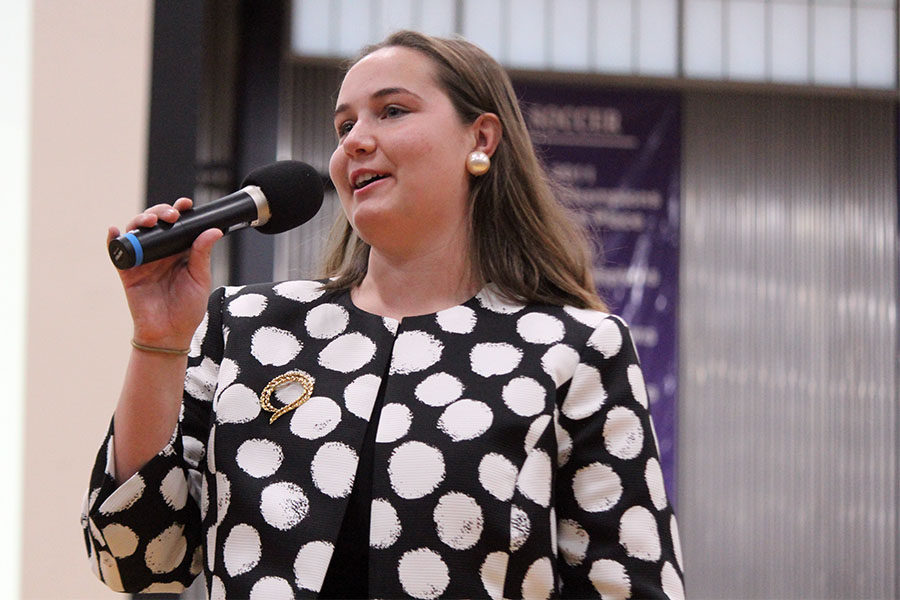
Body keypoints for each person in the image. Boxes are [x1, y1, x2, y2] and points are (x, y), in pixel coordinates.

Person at [82, 30, 684, 599]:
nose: (354, 141)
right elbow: (131, 560)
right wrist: (158, 341)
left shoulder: (574, 348)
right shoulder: (248, 325)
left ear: (481, 139)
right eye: (344, 125)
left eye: (391, 111)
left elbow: (629, 586)